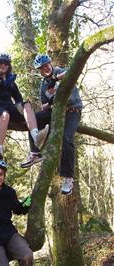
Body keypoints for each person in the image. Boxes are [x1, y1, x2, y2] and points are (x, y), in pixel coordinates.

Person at [21, 54, 83, 195]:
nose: (45, 69)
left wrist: (55, 79)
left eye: (46, 65)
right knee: (33, 119)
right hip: (55, 112)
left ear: (50, 63)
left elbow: (73, 72)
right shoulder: (43, 84)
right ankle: (35, 153)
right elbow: (43, 106)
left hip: (72, 111)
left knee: (67, 139)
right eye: (41, 68)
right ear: (39, 71)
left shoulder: (60, 71)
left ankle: (68, 178)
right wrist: (50, 101)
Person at [0, 53, 49, 160]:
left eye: (6, 63)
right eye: (0, 62)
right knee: (5, 115)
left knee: (27, 105)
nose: (3, 65)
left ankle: (36, 136)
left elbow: (18, 99)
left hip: (9, 107)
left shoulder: (11, 82)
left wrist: (22, 111)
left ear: (9, 66)